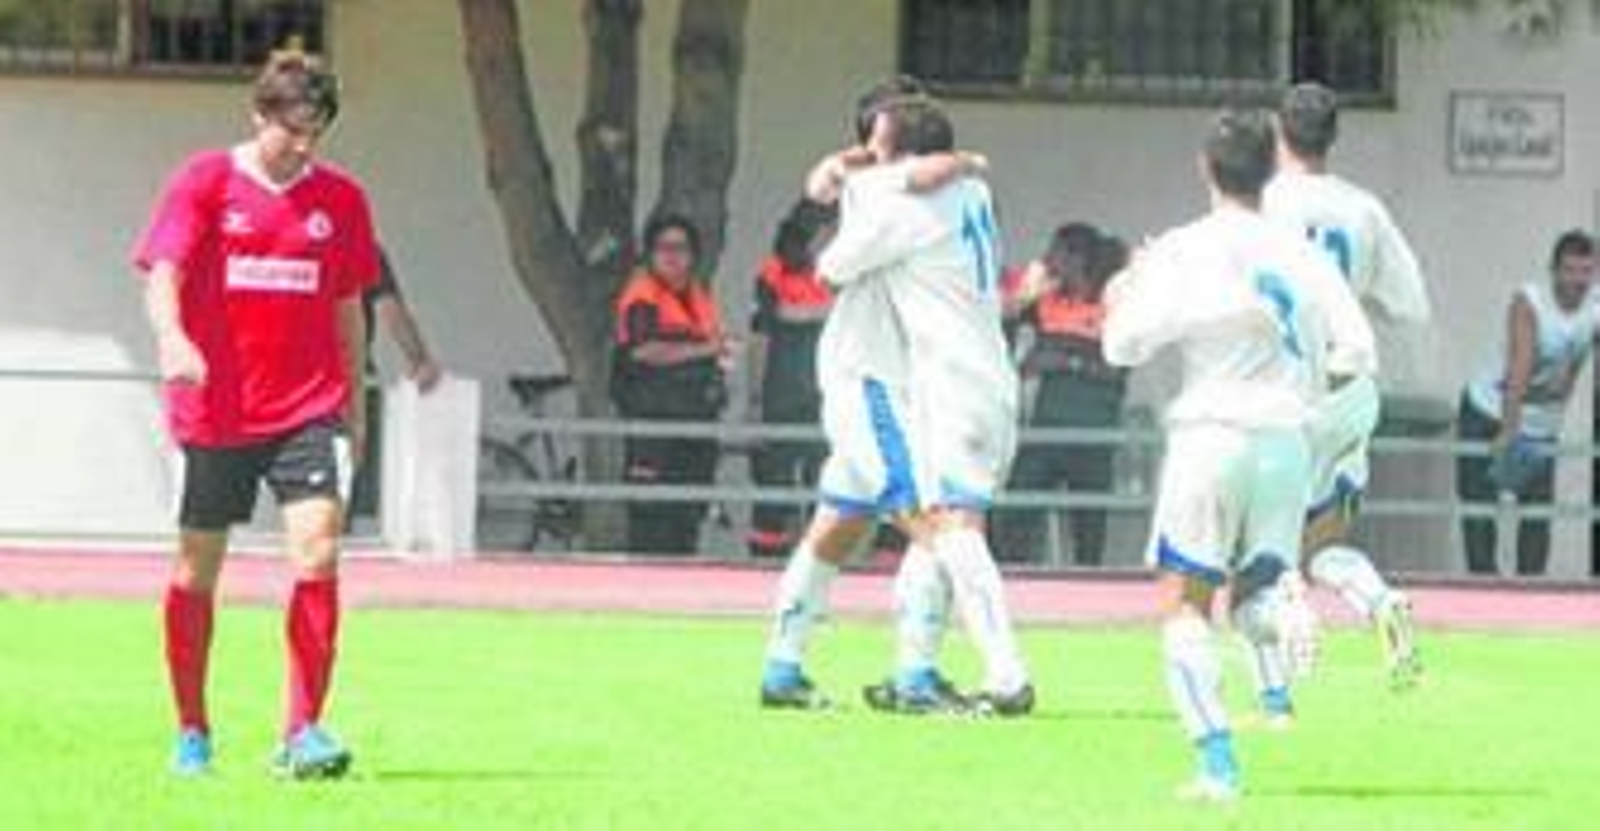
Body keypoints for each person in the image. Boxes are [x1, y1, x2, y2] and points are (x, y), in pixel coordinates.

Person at [1102, 107, 1376, 800]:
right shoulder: (1302, 251)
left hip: (1211, 432)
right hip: (1286, 440)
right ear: (1271, 169)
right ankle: (1286, 610)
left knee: (1184, 602)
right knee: (1253, 590)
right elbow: (1357, 348)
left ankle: (1217, 765)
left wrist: (1132, 283)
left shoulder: (1185, 248)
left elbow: (1122, 345)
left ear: (1205, 168)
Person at [133, 50, 379, 779]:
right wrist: (174, 337)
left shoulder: (342, 201)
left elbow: (349, 307)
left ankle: (302, 730)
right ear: (259, 114)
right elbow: (164, 273)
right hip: (219, 409)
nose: (304, 145)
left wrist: (356, 404)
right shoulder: (205, 181)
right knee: (195, 570)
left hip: (310, 408)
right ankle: (192, 730)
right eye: (294, 128)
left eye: (318, 131)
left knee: (319, 552)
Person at [760, 83, 1018, 715]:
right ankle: (919, 676)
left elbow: (831, 194)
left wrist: (926, 166)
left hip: (883, 379)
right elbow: (826, 213)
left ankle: (783, 667)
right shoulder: (906, 193)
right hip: (872, 381)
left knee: (838, 525)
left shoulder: (890, 193)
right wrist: (954, 162)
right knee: (935, 523)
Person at [1263, 81, 1431, 685]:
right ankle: (1381, 602)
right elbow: (1409, 302)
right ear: (1334, 137)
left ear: (1278, 130)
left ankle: (1291, 627)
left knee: (1264, 535)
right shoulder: (1363, 208)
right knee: (1326, 542)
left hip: (1285, 390)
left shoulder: (1262, 202)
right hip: (1352, 385)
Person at [1457, 231, 1597, 576]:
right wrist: (1508, 430)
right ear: (1554, 271)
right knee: (1479, 511)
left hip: (1541, 424)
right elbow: (1520, 366)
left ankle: (1531, 594)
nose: (1577, 281)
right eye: (1569, 271)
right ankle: (1483, 591)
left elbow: (1580, 350)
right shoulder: (1529, 302)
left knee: (1536, 517)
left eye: (1585, 272)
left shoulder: (1594, 308)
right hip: (1489, 410)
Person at [998, 224, 1129, 565]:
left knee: (1089, 531)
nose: (1048, 259)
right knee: (1012, 514)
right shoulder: (1046, 302)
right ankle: (1011, 581)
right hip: (1046, 430)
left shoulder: (1113, 302)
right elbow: (1001, 339)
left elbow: (1118, 367)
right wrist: (1023, 298)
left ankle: (1090, 604)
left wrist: (1063, 360)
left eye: (1056, 252)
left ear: (1078, 258)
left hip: (1096, 433)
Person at [611, 214, 731, 555]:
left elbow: (708, 344)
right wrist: (707, 349)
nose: (673, 255)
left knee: (688, 512)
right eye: (664, 247)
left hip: (695, 419)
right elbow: (644, 350)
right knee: (651, 516)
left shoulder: (697, 296)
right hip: (653, 421)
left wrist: (720, 356)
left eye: (681, 248)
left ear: (693, 255)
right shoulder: (642, 295)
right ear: (650, 254)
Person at [746, 200, 837, 557]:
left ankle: (819, 573)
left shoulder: (846, 273)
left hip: (830, 397)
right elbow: (765, 331)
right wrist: (753, 399)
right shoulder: (775, 274)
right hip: (782, 395)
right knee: (772, 493)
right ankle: (764, 571)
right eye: (829, 229)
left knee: (827, 492)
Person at [347, 247, 444, 523]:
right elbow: (391, 310)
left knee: (304, 480)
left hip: (301, 378)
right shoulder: (364, 252)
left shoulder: (293, 244)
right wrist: (420, 359)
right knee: (350, 475)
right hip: (352, 375)